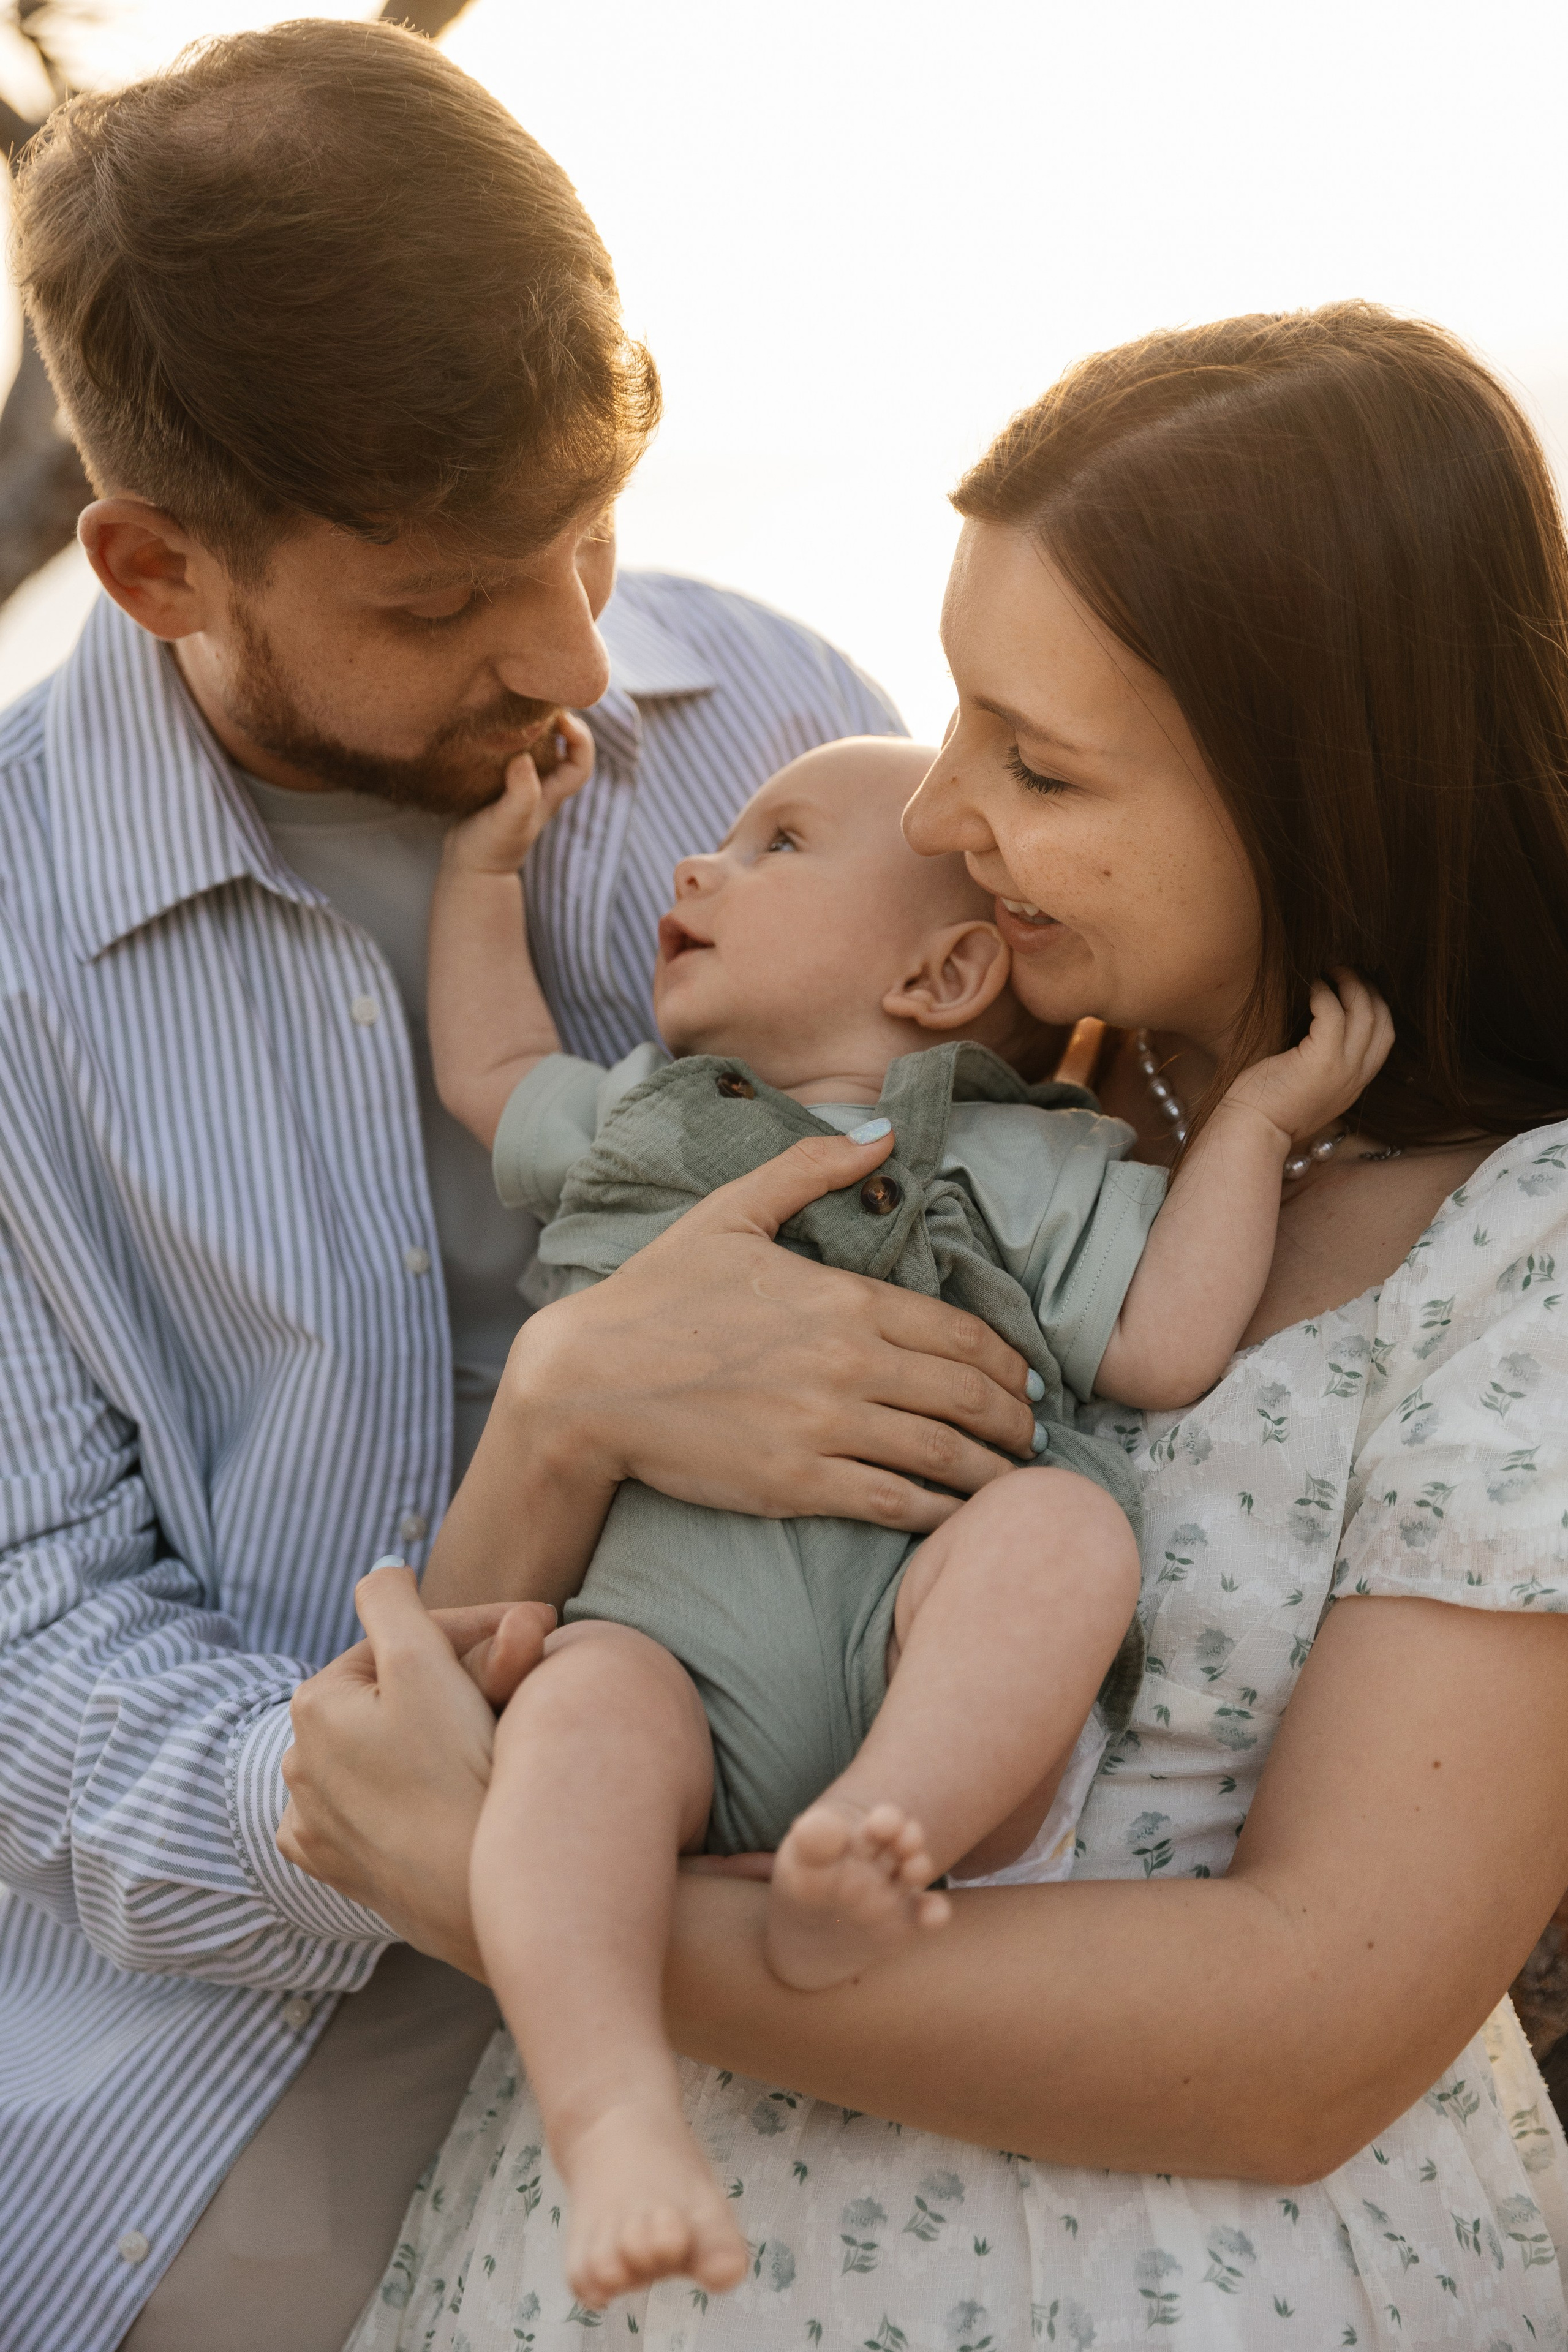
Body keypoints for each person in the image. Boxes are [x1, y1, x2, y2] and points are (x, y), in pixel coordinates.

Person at [282, 304, 1568, 2352]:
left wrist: (512, 1907)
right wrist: (559, 1410)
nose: (949, 812)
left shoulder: (1520, 1245)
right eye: (959, 706)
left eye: (1036, 763)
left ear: (1314, 792)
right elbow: (470, 1692)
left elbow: (1318, 2030)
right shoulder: (941, 1100)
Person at [0, 23, 908, 2352]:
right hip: (262, 2046)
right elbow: (31, 1639)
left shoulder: (778, 714)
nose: (579, 656)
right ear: (151, 566)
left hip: (848, 1869)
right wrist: (350, 1811)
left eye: (592, 529)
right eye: (441, 607)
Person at [416, 725, 1391, 2305]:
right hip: (668, 1653)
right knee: (573, 1734)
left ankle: (878, 1841)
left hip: (916, 1651)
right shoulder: (643, 1111)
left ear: (942, 978)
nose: (701, 866)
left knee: (1060, 1536)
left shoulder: (1030, 1157)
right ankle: (611, 2118)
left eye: (779, 845)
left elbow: (1160, 1343)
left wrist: (1255, 1132)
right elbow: (486, 1070)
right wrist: (481, 872)